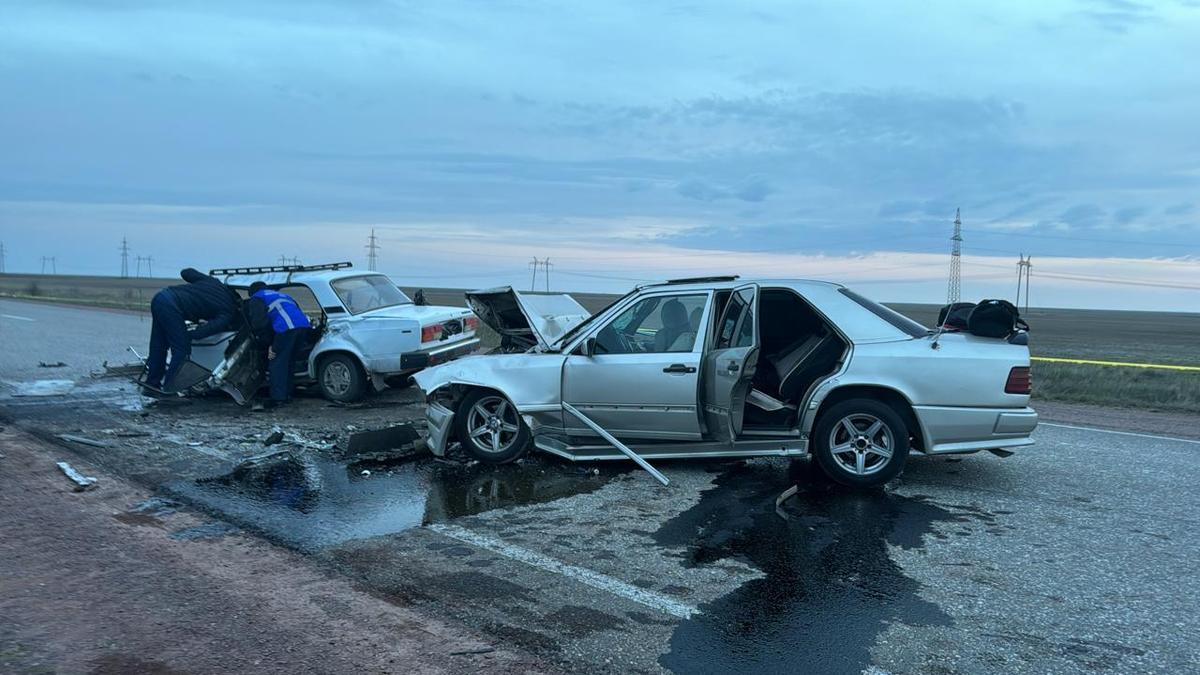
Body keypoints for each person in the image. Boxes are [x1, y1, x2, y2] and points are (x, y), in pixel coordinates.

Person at [144, 268, 239, 393]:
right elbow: (206, 331)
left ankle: (151, 384)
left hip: (160, 297)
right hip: (172, 306)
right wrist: (188, 335)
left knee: (159, 345)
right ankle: (169, 390)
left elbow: (186, 272)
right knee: (182, 350)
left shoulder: (213, 282)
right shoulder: (228, 311)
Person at [245, 281, 312, 408]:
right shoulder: (283, 296)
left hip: (286, 328)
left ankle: (278, 398)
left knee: (277, 362)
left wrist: (269, 344)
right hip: (303, 327)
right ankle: (287, 395)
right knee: (289, 362)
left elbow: (259, 324)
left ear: (251, 293)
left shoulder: (257, 298)